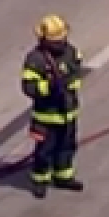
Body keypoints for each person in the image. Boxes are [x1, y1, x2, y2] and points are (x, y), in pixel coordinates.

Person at [22, 14, 86, 200]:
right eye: (55, 41)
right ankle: (40, 182)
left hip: (68, 113)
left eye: (62, 39)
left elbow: (78, 70)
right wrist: (48, 87)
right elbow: (28, 87)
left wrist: (70, 83)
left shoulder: (71, 52)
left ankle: (63, 177)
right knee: (44, 151)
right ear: (43, 40)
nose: (60, 44)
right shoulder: (35, 60)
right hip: (46, 116)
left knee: (67, 146)